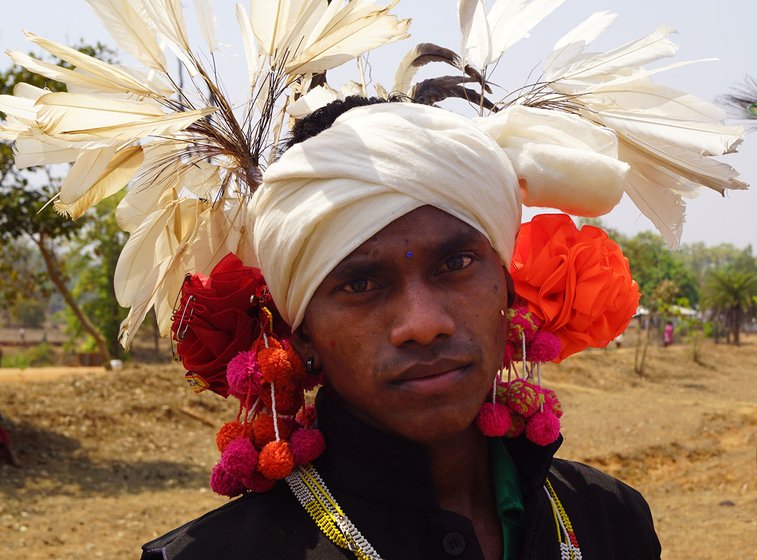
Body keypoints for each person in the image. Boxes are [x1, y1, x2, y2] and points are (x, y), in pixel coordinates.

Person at [141, 99, 660, 559]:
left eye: (455, 263)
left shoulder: (611, 523)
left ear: (506, 287)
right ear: (299, 333)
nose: (424, 324)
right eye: (362, 283)